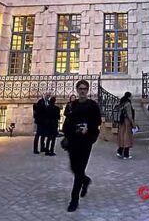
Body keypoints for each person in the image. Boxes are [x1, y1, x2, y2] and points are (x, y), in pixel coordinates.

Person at [62, 80, 102, 212]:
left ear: (88, 90)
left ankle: (74, 200)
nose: (83, 91)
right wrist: (72, 130)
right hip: (73, 141)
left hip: (85, 141)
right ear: (77, 90)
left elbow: (97, 122)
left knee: (79, 171)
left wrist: (88, 128)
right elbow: (66, 124)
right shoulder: (71, 105)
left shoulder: (93, 105)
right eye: (80, 88)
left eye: (85, 88)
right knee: (74, 168)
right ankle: (85, 181)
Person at [116, 92, 135, 160]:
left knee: (122, 136)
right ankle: (126, 154)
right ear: (129, 97)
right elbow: (129, 115)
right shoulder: (128, 104)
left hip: (121, 122)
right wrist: (133, 124)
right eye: (131, 96)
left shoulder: (121, 104)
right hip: (127, 122)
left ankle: (120, 152)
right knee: (127, 138)